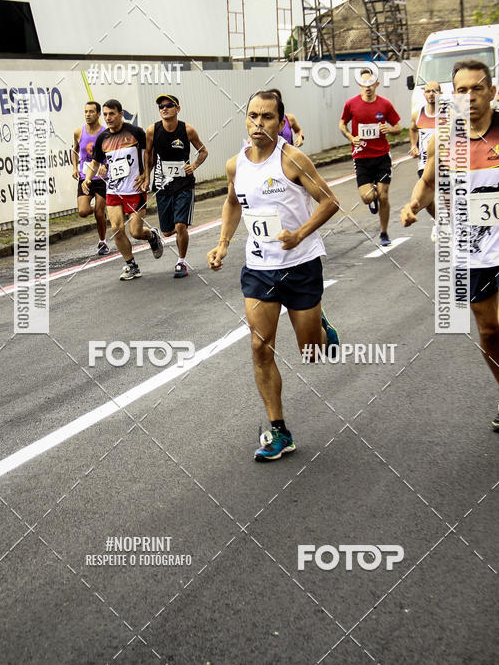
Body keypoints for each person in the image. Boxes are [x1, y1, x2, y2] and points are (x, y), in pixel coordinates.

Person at [401, 58, 499, 432]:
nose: (470, 96)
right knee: (487, 331)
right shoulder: (444, 139)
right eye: (461, 90)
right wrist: (414, 202)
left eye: (477, 88)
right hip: (469, 251)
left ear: (492, 91)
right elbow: (429, 181)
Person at [207, 90, 339, 461]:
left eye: (267, 117)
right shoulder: (236, 165)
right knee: (259, 347)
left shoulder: (293, 160)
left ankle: (320, 325)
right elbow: (233, 201)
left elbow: (330, 200)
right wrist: (223, 243)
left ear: (281, 122)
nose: (258, 124)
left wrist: (299, 234)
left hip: (300, 264)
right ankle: (279, 430)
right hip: (260, 267)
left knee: (310, 352)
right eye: (252, 116)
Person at [82, 99, 163, 280]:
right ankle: (131, 265)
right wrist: (87, 178)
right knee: (117, 229)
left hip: (134, 189)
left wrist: (146, 175)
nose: (108, 118)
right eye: (105, 115)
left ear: (120, 114)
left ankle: (151, 236)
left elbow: (150, 154)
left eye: (111, 114)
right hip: (114, 190)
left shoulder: (135, 133)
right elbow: (95, 162)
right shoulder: (103, 138)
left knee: (135, 231)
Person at [144, 94, 208, 278]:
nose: (164, 108)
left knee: (181, 226)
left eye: (169, 105)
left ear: (177, 109)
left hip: (184, 185)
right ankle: (156, 235)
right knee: (167, 230)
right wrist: (146, 177)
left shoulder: (187, 130)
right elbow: (148, 155)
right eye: (161, 106)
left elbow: (203, 151)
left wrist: (194, 166)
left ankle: (181, 262)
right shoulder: (152, 131)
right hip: (163, 185)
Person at [339, 67, 402, 246]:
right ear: (360, 85)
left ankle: (383, 232)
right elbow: (342, 124)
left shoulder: (385, 104)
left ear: (377, 84)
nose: (368, 87)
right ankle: (371, 195)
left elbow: (398, 127)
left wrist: (389, 129)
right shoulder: (351, 104)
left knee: (384, 196)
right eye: (364, 84)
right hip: (361, 157)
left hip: (381, 156)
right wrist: (351, 137)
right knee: (367, 197)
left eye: (371, 84)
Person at [72, 101, 110, 256]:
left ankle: (103, 242)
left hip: (101, 178)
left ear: (99, 114)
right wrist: (75, 167)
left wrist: (105, 165)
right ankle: (100, 209)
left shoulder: (106, 132)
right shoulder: (78, 132)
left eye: (91, 112)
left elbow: (111, 152)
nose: (88, 115)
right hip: (84, 177)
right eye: (86, 111)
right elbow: (74, 151)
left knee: (99, 214)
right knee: (83, 211)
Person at [409, 81, 440, 241]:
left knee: (446, 195)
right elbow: (413, 129)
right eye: (428, 91)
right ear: (424, 94)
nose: (431, 94)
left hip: (445, 162)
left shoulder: (447, 113)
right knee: (427, 197)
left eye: (434, 91)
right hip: (424, 163)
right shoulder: (418, 113)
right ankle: (438, 221)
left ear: (440, 93)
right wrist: (414, 146)